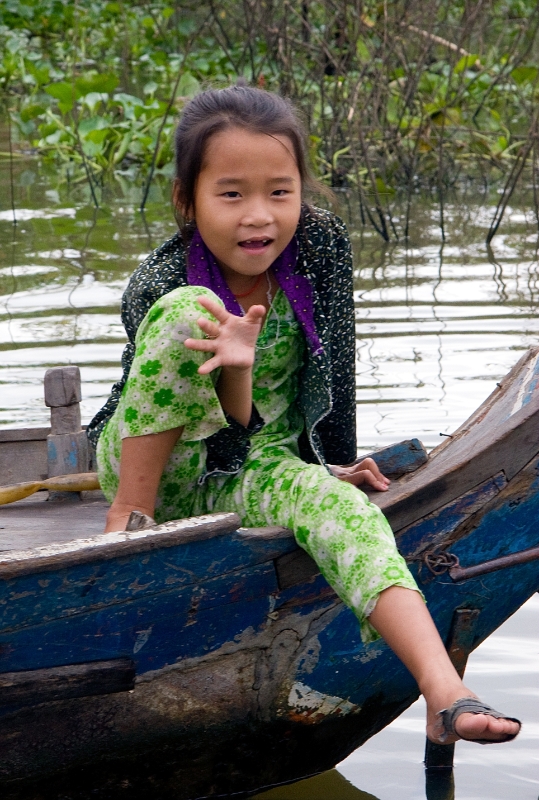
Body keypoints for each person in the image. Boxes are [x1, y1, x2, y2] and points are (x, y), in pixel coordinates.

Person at [87, 85, 520, 747]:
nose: (258, 216)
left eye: (279, 192)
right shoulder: (160, 278)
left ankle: (444, 693)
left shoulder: (319, 246)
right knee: (186, 312)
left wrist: (327, 465)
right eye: (231, 194)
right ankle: (128, 524)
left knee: (344, 512)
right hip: (156, 466)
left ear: (301, 192)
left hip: (255, 462)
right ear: (186, 200)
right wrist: (229, 364)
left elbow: (334, 365)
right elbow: (173, 411)